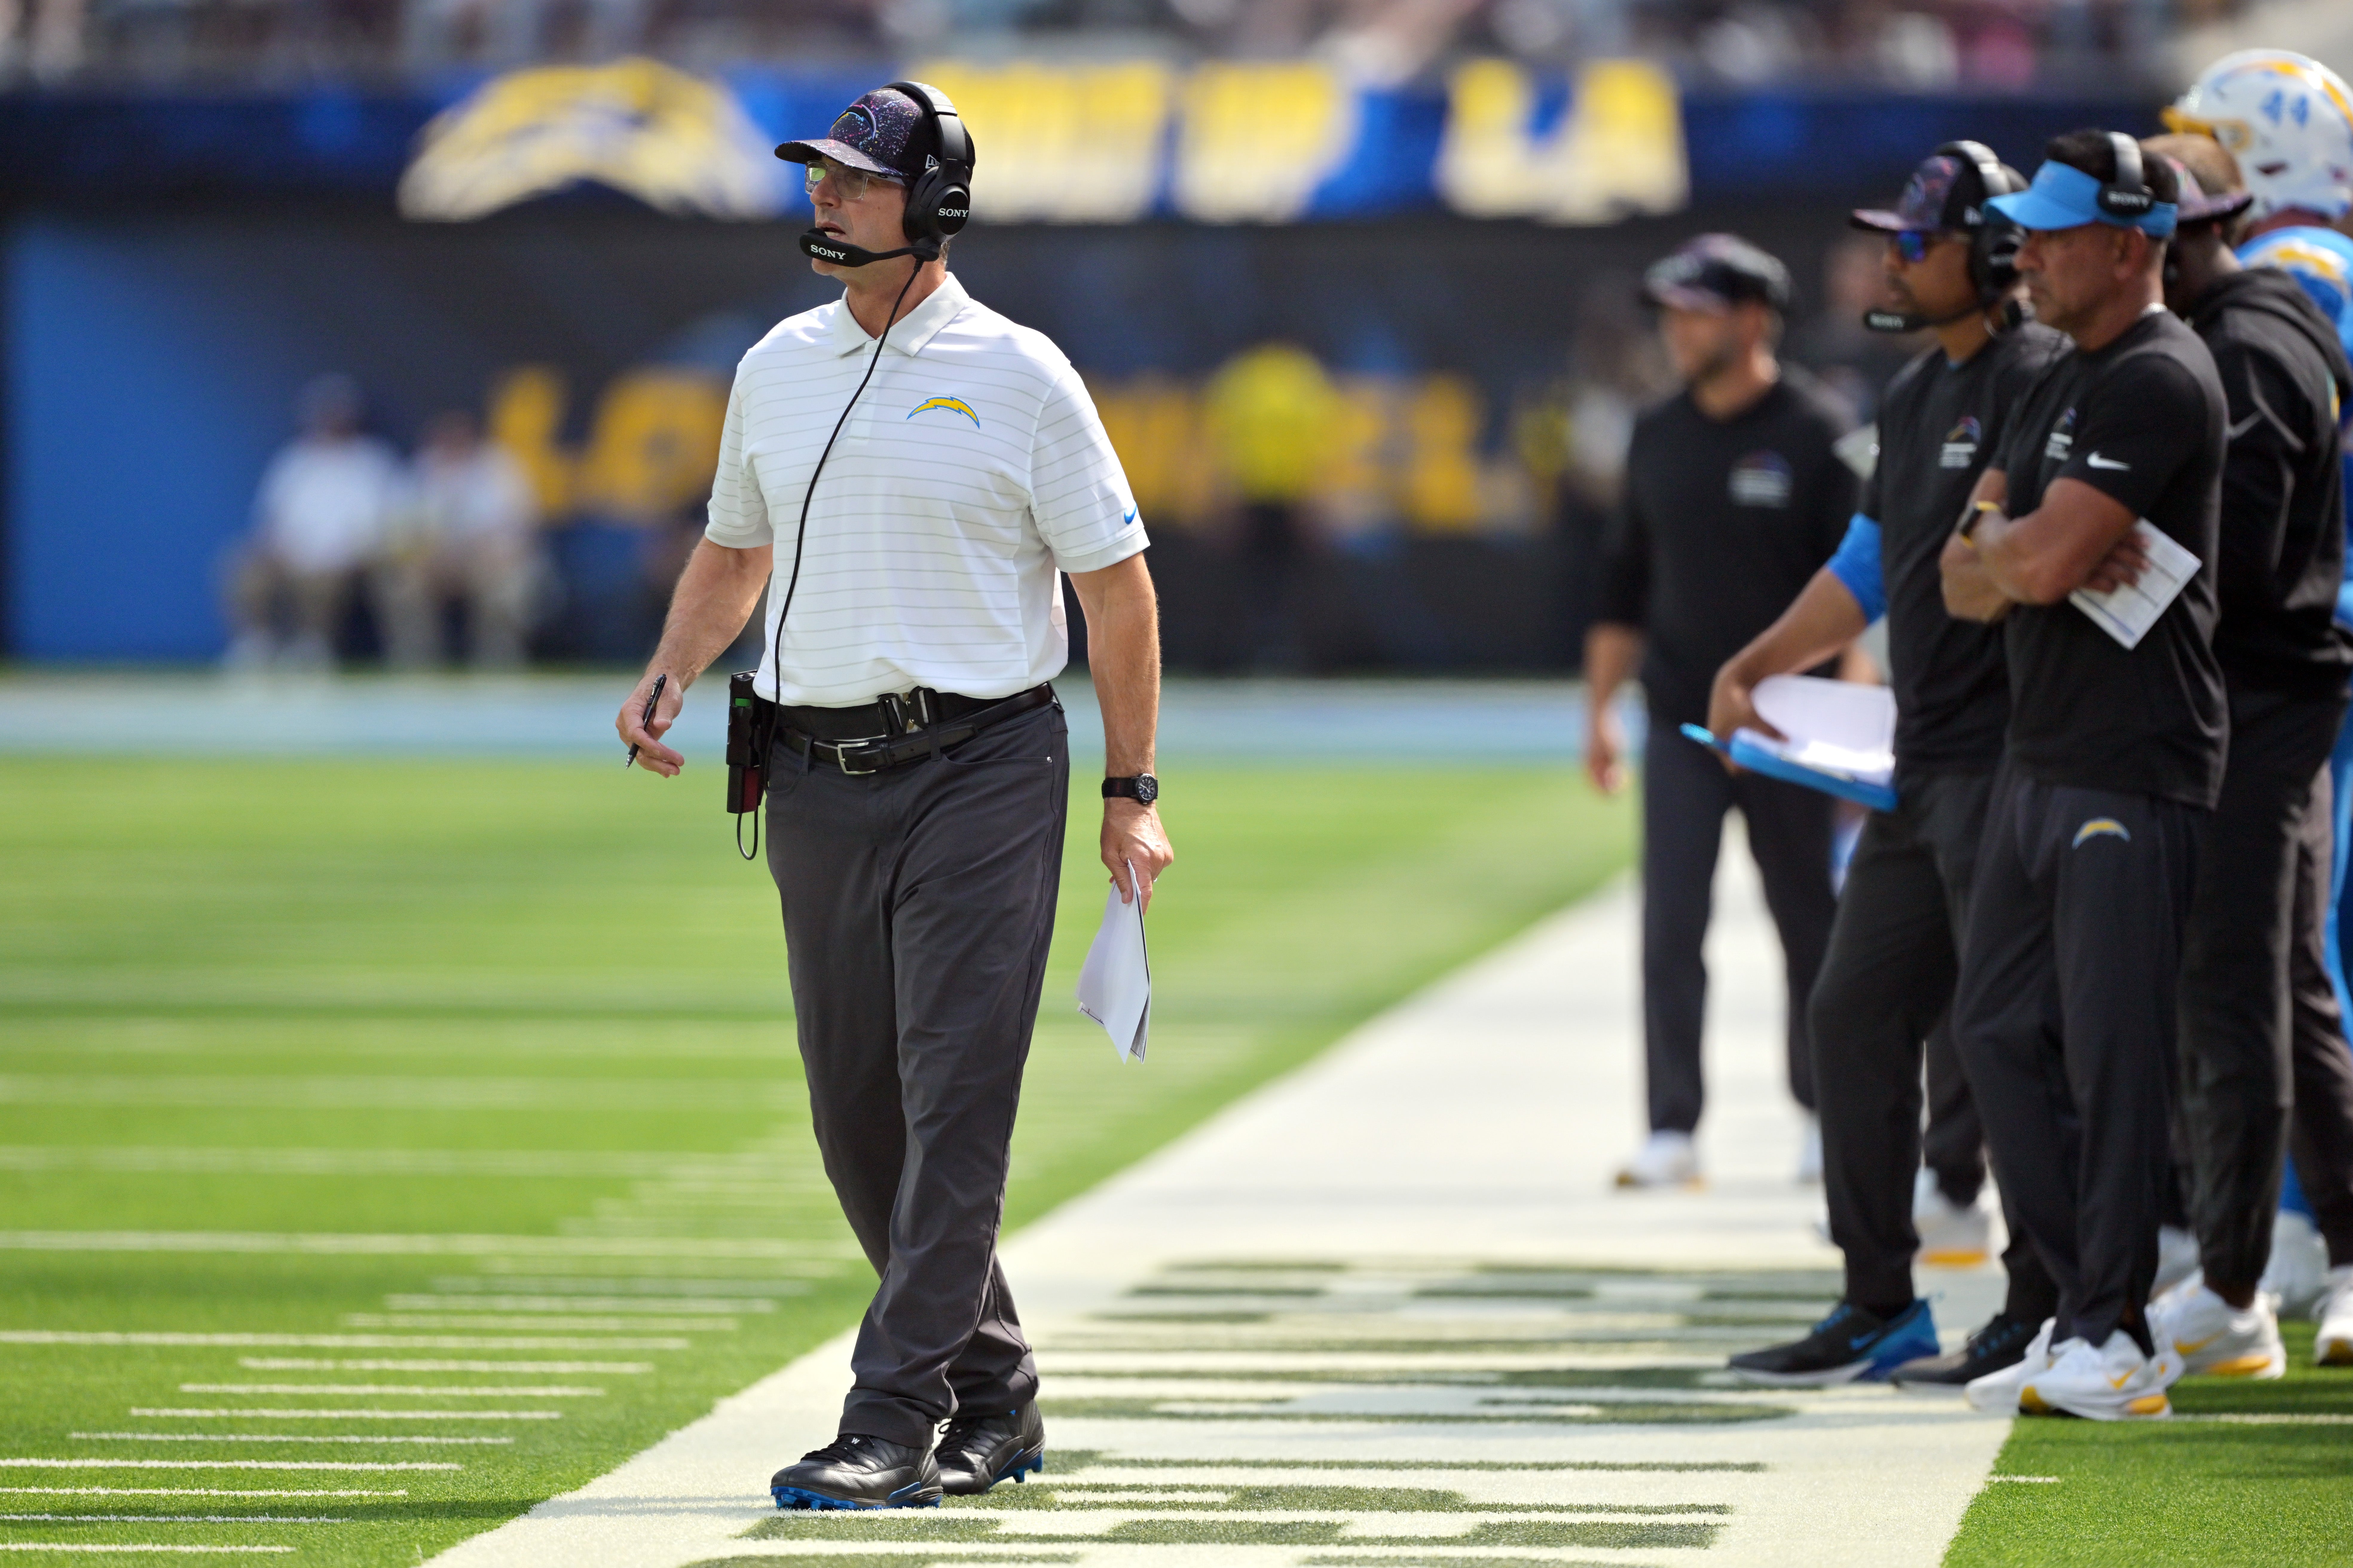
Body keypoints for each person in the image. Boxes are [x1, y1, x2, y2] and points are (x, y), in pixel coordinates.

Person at [614, 83, 1172, 1510]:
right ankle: (999, 1388)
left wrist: (1130, 785)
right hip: (805, 772)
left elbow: (1117, 591)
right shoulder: (776, 364)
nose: (825, 200)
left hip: (979, 766)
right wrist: (676, 663)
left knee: (955, 1095)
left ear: (933, 206)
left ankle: (891, 1417)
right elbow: (734, 545)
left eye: (857, 183)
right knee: (856, 1116)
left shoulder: (1022, 371)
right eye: (820, 179)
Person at [1709, 146, 2067, 1388]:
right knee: (1851, 1009)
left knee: (2006, 1033)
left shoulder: (2042, 379)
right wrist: (1757, 661)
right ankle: (1878, 1300)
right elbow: (1866, 565)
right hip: (1925, 764)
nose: (1891, 262)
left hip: (2014, 760)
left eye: (1915, 243)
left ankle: (2052, 1302)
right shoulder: (1920, 395)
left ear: (1995, 252)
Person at [1938, 130, 2228, 1421]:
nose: (2028, 252)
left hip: (2132, 755)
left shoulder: (2160, 377)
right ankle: (2079, 1305)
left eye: (2055, 234)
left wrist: (2019, 547)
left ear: (2128, 247)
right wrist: (2021, 544)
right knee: (1998, 1031)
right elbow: (1966, 578)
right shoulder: (2053, 376)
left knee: (2111, 1050)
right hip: (2038, 752)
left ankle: (2112, 1328)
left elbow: (2035, 569)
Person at [2132, 137, 2353, 1379]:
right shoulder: (2263, 324)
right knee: (2286, 986)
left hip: (2257, 705)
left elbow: (2247, 570)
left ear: (2169, 240)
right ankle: (2321, 1258)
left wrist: (2110, 568)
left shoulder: (2249, 345)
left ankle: (2230, 1280)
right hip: (2281, 696)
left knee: (2232, 987)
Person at [1587, 233, 1856, 1189]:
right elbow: (1623, 582)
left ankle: (1824, 1115)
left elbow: (1854, 592)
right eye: (1669, 314)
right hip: (1678, 722)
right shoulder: (1654, 434)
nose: (1676, 331)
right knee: (1670, 925)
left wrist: (1846, 724)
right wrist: (1597, 713)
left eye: (1695, 312)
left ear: (1750, 317)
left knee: (1807, 924)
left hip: (1789, 725)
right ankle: (1671, 1128)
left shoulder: (1816, 431)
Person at [225, 374, 402, 670]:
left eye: (338, 414)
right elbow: (271, 519)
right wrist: (277, 548)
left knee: (320, 579)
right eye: (325, 414)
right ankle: (256, 645)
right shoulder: (294, 460)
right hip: (293, 554)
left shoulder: (374, 461)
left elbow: (390, 523)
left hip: (350, 559)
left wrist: (354, 553)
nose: (331, 421)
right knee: (241, 565)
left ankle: (313, 646)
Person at [382, 410, 540, 669]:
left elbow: (523, 528)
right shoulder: (421, 469)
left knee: (509, 584)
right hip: (431, 564)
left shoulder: (499, 467)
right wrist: (424, 556)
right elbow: (399, 530)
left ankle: (498, 662)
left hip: (488, 563)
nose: (452, 443)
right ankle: (416, 664)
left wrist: (483, 553)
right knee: (399, 582)